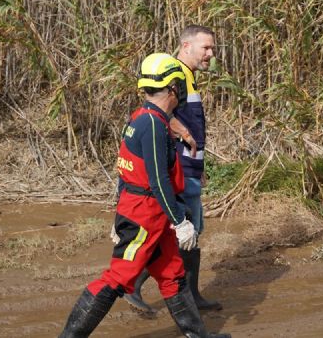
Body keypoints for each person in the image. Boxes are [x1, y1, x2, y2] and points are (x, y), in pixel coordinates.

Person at [59, 53, 230, 338]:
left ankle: (197, 335)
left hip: (149, 213)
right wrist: (181, 221)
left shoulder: (141, 118)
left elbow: (124, 172)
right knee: (117, 278)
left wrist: (122, 214)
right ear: (173, 87)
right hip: (144, 216)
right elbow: (158, 181)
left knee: (172, 274)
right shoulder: (152, 124)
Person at [124, 25, 223, 313]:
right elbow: (159, 112)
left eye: (213, 49)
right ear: (185, 46)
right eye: (206, 48)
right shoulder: (175, 76)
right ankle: (133, 285)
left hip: (189, 167)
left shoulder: (189, 77)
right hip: (179, 168)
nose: (210, 54)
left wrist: (199, 164)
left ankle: (191, 296)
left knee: (194, 229)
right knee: (180, 230)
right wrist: (186, 135)